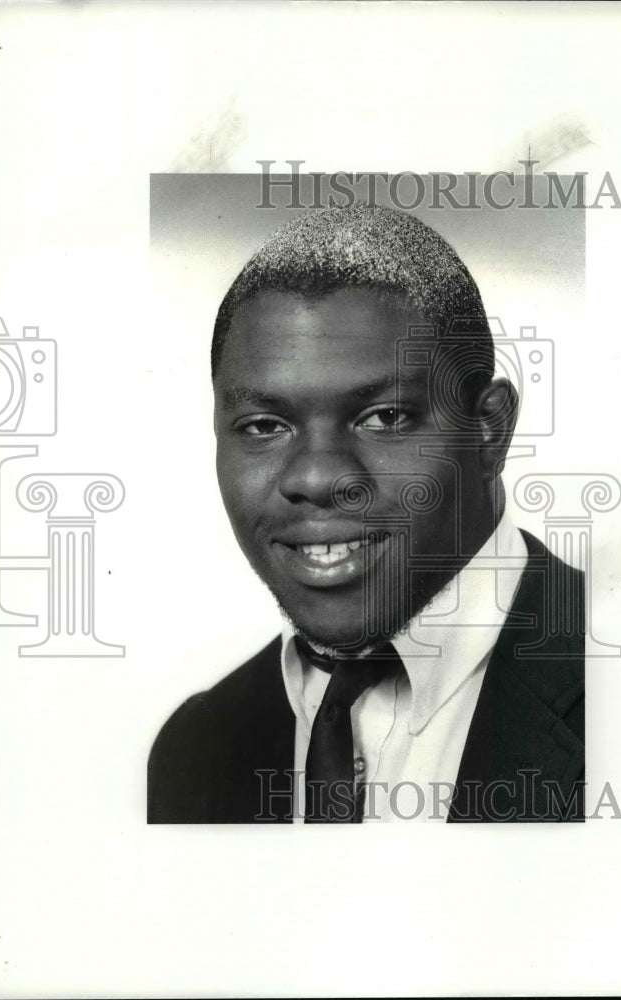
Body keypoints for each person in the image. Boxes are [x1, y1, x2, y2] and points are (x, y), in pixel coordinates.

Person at [148, 203, 584, 824]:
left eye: (384, 418)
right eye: (264, 425)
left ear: (490, 431)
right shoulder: (192, 751)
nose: (318, 478)